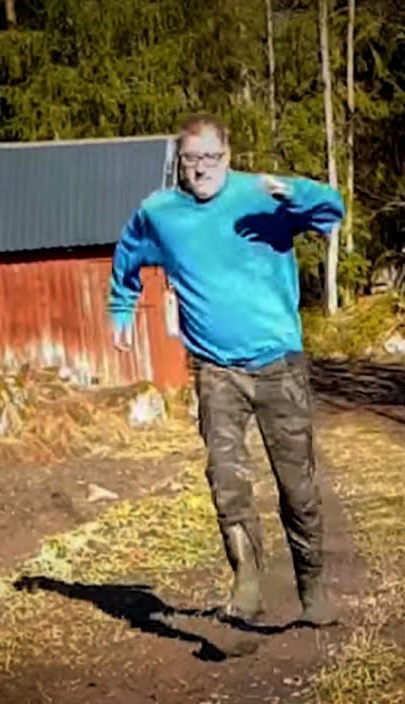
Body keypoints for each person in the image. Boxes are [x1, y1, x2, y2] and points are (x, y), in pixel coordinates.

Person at [107, 112, 344, 627]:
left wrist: (295, 194)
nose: (201, 169)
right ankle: (248, 581)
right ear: (180, 163)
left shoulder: (262, 195)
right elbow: (127, 253)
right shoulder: (161, 213)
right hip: (216, 369)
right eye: (191, 159)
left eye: (210, 157)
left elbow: (332, 212)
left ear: (227, 157)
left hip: (279, 364)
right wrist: (121, 307)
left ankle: (312, 587)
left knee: (297, 487)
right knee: (226, 479)